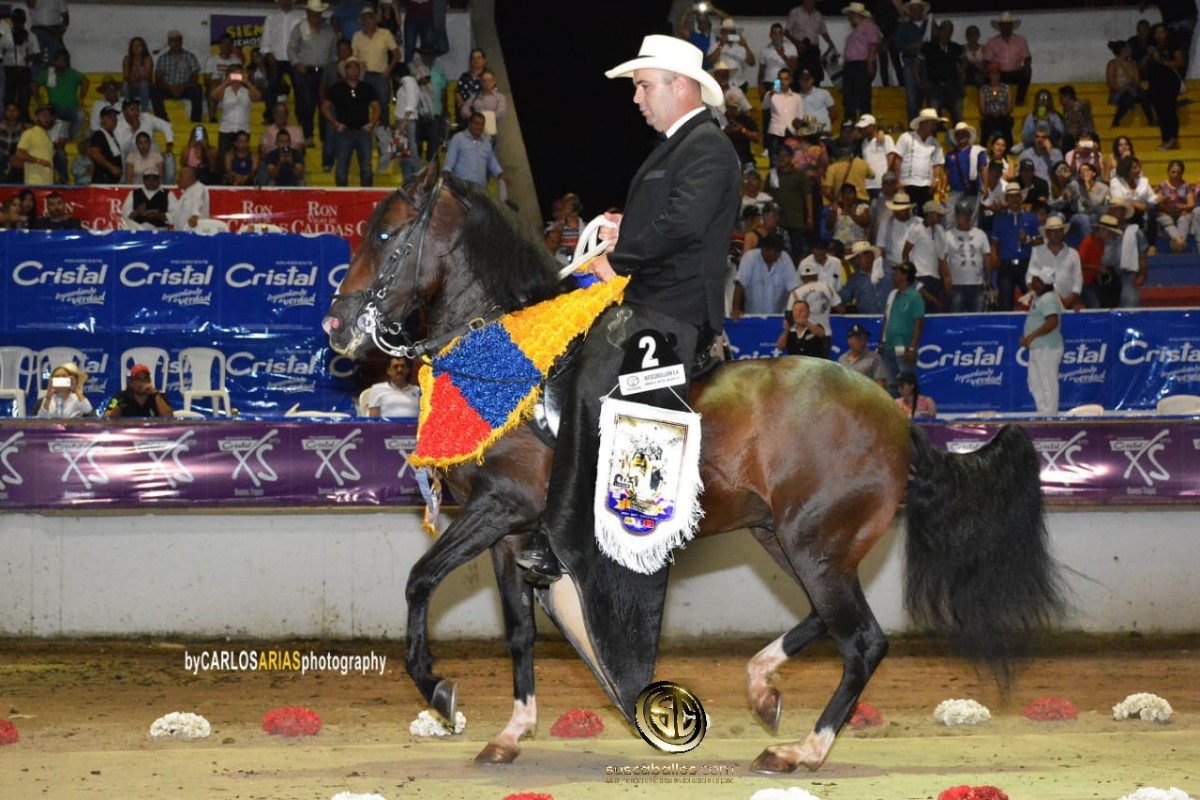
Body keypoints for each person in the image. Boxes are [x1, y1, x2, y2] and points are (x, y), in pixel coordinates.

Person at [520, 33, 741, 587]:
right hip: (651, 297)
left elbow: (684, 225)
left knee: (591, 384)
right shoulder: (681, 145)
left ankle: (565, 536)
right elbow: (670, 219)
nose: (636, 98)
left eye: (643, 86)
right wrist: (627, 228)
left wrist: (618, 259)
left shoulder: (707, 148)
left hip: (671, 308)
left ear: (679, 85)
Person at [322, 56, 379, 187]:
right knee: (342, 167)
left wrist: (371, 124)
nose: (353, 70)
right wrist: (335, 124)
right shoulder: (337, 88)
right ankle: (342, 195)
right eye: (350, 68)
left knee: (366, 167)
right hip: (344, 132)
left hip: (362, 131)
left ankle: (366, 194)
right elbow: (325, 107)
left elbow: (377, 107)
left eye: (356, 68)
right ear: (345, 70)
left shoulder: (366, 88)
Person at [288, 0, 337, 147]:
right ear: (308, 13)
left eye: (318, 13)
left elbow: (333, 52)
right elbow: (291, 48)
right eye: (314, 12)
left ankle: (324, 136)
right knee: (307, 105)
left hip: (324, 71)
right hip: (306, 71)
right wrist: (297, 64)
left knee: (324, 104)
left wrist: (332, 70)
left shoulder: (328, 30)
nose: (316, 15)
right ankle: (308, 135)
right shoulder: (300, 28)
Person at [989, 184, 1042, 310]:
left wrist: (1027, 239)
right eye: (1010, 197)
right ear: (1006, 199)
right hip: (1006, 265)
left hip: (1026, 264)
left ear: (1021, 198)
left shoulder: (1031, 218)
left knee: (1033, 300)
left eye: (1016, 196)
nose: (1013, 200)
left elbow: (1040, 241)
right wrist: (994, 255)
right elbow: (995, 243)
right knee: (1005, 303)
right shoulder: (999, 219)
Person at [1020, 272, 1064, 415]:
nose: (1032, 283)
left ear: (1044, 283)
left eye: (1036, 280)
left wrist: (1031, 336)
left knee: (1047, 382)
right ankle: (1043, 411)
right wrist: (1027, 337)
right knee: (1034, 382)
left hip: (1047, 347)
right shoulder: (1039, 298)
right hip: (1037, 347)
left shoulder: (1048, 299)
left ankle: (1050, 414)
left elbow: (1052, 322)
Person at [352, 6, 400, 122]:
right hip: (363, 75)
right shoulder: (357, 36)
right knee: (362, 104)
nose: (367, 21)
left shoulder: (385, 34)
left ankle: (383, 129)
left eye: (370, 17)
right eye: (365, 18)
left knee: (383, 104)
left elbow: (397, 54)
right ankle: (364, 128)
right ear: (362, 21)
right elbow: (354, 58)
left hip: (381, 75)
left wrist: (389, 69)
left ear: (375, 20)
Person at [732, 232, 799, 317]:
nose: (778, 255)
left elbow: (794, 289)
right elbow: (740, 286)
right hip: (753, 317)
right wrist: (736, 310)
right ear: (765, 249)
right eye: (775, 252)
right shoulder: (750, 258)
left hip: (779, 317)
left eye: (779, 252)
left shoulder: (785, 258)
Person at [891, 107, 945, 210]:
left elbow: (937, 165)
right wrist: (897, 181)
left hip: (926, 185)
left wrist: (936, 179)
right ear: (923, 123)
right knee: (905, 212)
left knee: (925, 213)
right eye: (932, 124)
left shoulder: (936, 143)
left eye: (934, 124)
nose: (934, 127)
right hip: (906, 183)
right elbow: (897, 160)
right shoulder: (906, 137)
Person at [880, 261, 924, 385]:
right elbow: (886, 319)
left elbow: (919, 324)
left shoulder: (915, 297)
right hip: (889, 346)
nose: (894, 274)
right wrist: (882, 343)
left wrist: (911, 348)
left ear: (905, 275)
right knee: (891, 384)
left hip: (904, 346)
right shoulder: (892, 294)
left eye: (897, 272)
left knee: (906, 384)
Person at [262, 0, 305, 124]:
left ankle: (300, 117)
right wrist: (268, 53)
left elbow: (304, 39)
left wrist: (301, 57)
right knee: (271, 89)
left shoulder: (301, 17)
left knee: (299, 89)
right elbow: (266, 38)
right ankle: (270, 117)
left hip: (295, 59)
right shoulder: (271, 17)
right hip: (276, 58)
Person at [1027, 214, 1083, 310]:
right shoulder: (1037, 251)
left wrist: (1069, 301)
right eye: (1053, 231)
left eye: (1059, 230)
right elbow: (1029, 278)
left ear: (1063, 232)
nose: (1057, 234)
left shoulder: (1073, 254)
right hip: (1042, 304)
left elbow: (1078, 281)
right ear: (1047, 234)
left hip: (1068, 303)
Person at [904, 199, 950, 311]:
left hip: (935, 277)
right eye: (938, 215)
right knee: (920, 309)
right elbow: (905, 252)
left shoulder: (940, 231)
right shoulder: (917, 229)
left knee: (933, 309)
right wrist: (909, 276)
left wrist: (946, 278)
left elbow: (942, 258)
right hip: (920, 275)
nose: (940, 217)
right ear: (930, 214)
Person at [945, 200, 989, 312]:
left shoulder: (980, 234)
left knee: (978, 318)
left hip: (977, 284)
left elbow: (987, 258)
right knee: (956, 318)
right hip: (956, 285)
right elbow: (943, 260)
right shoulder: (948, 236)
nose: (966, 217)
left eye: (968, 214)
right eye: (962, 214)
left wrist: (988, 281)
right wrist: (947, 279)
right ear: (957, 216)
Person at [1145, 23, 1183, 151]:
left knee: (1169, 110)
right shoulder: (1152, 47)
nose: (1159, 35)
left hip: (1169, 82)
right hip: (1155, 83)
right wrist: (1148, 55)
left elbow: (1180, 62)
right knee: (1160, 112)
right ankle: (1166, 139)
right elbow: (1141, 66)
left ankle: (1173, 138)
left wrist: (1160, 60)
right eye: (1157, 32)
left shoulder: (1172, 46)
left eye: (1162, 32)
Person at [841, 2, 882, 122]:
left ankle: (865, 121)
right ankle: (851, 120)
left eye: (850, 15)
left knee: (863, 95)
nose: (849, 19)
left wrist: (870, 62)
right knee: (849, 96)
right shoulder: (857, 29)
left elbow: (873, 45)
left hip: (861, 63)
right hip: (852, 64)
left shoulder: (869, 26)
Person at [152, 31, 204, 124]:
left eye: (178, 41)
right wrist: (170, 88)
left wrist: (182, 87)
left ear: (181, 42)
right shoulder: (162, 58)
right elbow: (158, 79)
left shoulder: (190, 56)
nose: (176, 43)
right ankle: (163, 121)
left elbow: (195, 76)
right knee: (154, 89)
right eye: (173, 41)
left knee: (197, 88)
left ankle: (195, 122)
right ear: (169, 43)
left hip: (185, 88)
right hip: (167, 88)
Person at [212, 69, 261, 165]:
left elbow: (258, 96)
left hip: (243, 129)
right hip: (226, 129)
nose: (236, 77)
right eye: (234, 75)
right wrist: (226, 82)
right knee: (223, 158)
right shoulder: (224, 91)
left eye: (239, 75)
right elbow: (213, 95)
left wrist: (247, 82)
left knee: (242, 158)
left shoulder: (247, 92)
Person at [443, 111, 504, 189]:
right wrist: (446, 178)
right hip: (461, 187)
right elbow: (449, 161)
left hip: (480, 188)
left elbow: (492, 162)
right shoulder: (458, 138)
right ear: (469, 123)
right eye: (476, 123)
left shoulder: (486, 143)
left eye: (482, 124)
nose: (479, 127)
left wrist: (501, 175)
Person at [35, 50, 87, 141]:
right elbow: (34, 84)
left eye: (63, 60)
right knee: (45, 116)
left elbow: (85, 82)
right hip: (54, 109)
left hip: (71, 109)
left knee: (81, 115)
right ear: (54, 61)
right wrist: (39, 101)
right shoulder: (49, 73)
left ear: (67, 61)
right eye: (58, 60)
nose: (61, 62)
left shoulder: (72, 73)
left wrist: (81, 99)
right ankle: (50, 140)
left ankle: (67, 138)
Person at [983, 11, 1031, 107]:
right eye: (1004, 25)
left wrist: (1027, 65)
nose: (1006, 28)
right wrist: (991, 69)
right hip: (999, 74)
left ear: (1011, 26)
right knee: (987, 74)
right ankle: (992, 102)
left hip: (1016, 73)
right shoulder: (992, 42)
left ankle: (1019, 101)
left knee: (1028, 71)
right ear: (1000, 27)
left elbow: (1027, 57)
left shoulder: (1020, 41)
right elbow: (987, 60)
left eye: (1008, 25)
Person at [921, 20, 965, 124]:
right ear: (938, 31)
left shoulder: (956, 47)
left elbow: (965, 60)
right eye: (944, 30)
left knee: (958, 118)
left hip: (952, 86)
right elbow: (916, 64)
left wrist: (962, 70)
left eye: (949, 31)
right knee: (933, 117)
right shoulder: (928, 47)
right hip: (935, 86)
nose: (946, 34)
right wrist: (920, 82)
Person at [787, 260, 844, 339]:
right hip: (825, 333)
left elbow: (789, 317)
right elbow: (841, 309)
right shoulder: (828, 288)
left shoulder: (795, 293)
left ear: (801, 278)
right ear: (816, 276)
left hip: (804, 335)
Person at [1106, 40, 1154, 128]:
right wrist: (1125, 89)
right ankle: (1116, 121)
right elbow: (1111, 83)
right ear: (1123, 50)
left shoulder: (1132, 64)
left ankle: (1151, 121)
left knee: (1141, 93)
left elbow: (1137, 81)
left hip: (1132, 91)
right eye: (1128, 48)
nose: (1131, 50)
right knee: (1129, 96)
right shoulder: (1113, 64)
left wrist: (1132, 87)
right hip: (1118, 93)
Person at [944, 121, 987, 220]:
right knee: (950, 219)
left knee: (971, 219)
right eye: (958, 134)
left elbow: (983, 169)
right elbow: (947, 173)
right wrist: (943, 188)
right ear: (955, 137)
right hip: (954, 191)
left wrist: (985, 187)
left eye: (964, 133)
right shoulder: (949, 155)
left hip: (972, 191)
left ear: (968, 135)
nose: (961, 136)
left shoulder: (977, 152)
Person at [4, 9, 40, 120]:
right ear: (12, 21)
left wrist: (31, 57)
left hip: (24, 70)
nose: (18, 23)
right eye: (16, 20)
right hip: (8, 69)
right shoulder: (4, 35)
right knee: (8, 99)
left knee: (24, 99)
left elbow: (37, 55)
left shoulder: (31, 36)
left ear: (24, 21)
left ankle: (23, 120)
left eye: (20, 20)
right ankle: (7, 122)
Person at [105, 364, 174, 419]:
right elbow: (106, 417)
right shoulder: (121, 397)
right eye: (138, 379)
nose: (142, 382)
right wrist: (115, 412)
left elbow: (170, 418)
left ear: (150, 381)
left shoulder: (158, 397)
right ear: (131, 383)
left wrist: (155, 394)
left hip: (153, 431)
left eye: (145, 378)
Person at [1156, 159, 1197, 253]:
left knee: (1185, 218)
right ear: (1168, 172)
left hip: (1181, 213)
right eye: (1173, 172)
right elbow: (1156, 201)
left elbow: (1191, 204)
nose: (1175, 175)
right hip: (1166, 213)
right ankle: (1180, 241)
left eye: (1178, 173)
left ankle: (1178, 244)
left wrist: (1181, 207)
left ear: (1182, 173)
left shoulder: (1186, 186)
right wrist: (1165, 200)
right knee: (1164, 218)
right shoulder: (1162, 185)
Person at [840, 239, 890, 314]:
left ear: (870, 256)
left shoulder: (887, 271)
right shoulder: (855, 279)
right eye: (855, 259)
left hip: (889, 317)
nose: (857, 262)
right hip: (867, 318)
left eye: (860, 258)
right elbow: (844, 296)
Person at [203, 34, 243, 124]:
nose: (226, 46)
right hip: (215, 87)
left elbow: (240, 77)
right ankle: (212, 118)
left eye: (229, 43)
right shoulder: (211, 60)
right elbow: (206, 80)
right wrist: (219, 82)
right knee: (213, 87)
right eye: (224, 43)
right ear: (219, 45)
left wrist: (227, 80)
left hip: (231, 86)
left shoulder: (237, 61)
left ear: (232, 46)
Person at [13, 102, 54, 185]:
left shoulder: (47, 136)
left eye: (49, 115)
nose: (47, 118)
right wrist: (38, 161)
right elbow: (20, 153)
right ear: (35, 118)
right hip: (34, 181)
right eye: (43, 115)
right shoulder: (29, 133)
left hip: (48, 182)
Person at [709, 18, 755, 90]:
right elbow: (710, 61)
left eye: (732, 32)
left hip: (740, 84)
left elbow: (752, 63)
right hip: (722, 84)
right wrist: (721, 45)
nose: (730, 34)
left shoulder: (741, 47)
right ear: (722, 32)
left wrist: (746, 46)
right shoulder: (715, 46)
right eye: (727, 31)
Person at [837, 323, 887, 387]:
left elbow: (881, 384)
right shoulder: (842, 360)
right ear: (849, 341)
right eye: (859, 339)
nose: (863, 342)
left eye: (865, 338)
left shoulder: (874, 358)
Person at [978, 64, 1014, 148]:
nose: (995, 76)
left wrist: (1001, 112)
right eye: (992, 73)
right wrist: (990, 113)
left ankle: (1009, 147)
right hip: (989, 116)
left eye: (997, 73)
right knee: (987, 123)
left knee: (1005, 123)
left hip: (1003, 116)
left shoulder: (1006, 88)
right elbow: (982, 109)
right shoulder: (984, 89)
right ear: (989, 75)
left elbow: (1010, 106)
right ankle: (983, 147)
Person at [86, 104, 122, 184]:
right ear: (103, 119)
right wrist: (111, 167)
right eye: (111, 117)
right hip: (103, 179)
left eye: (115, 117)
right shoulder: (99, 134)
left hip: (111, 180)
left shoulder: (112, 136)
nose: (114, 120)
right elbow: (94, 153)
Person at [170, 166, 210, 231]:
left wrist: (195, 216)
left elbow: (197, 203)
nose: (177, 180)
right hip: (182, 232)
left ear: (190, 179)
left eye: (180, 177)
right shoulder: (187, 190)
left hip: (194, 233)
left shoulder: (198, 188)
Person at [1057, 85, 1094, 156]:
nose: (1060, 101)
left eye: (1061, 98)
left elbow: (1085, 105)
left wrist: (1074, 108)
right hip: (1071, 141)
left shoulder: (1083, 105)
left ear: (1068, 97)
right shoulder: (1066, 112)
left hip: (1085, 139)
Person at [122, 36, 154, 113]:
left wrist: (136, 80)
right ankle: (125, 110)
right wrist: (132, 80)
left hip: (145, 88)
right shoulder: (127, 59)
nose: (136, 48)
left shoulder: (147, 59)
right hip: (132, 86)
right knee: (125, 85)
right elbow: (126, 76)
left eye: (139, 45)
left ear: (143, 47)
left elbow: (147, 77)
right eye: (134, 46)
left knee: (143, 84)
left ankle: (144, 111)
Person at [455, 48, 487, 125]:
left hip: (482, 116)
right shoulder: (464, 76)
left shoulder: (488, 76)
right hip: (464, 115)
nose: (476, 60)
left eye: (479, 58)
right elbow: (457, 93)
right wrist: (465, 108)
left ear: (484, 60)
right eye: (473, 58)